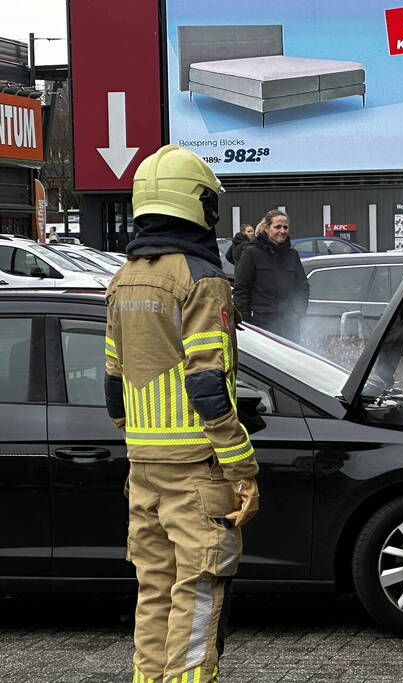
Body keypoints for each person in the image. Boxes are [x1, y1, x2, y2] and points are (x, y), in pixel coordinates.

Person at [104, 145, 259, 683]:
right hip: (197, 470)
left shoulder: (123, 280)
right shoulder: (201, 278)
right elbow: (209, 385)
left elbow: (113, 386)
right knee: (196, 593)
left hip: (142, 468)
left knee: (153, 592)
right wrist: (242, 470)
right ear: (196, 204)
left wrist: (144, 442)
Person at [233, 209, 310, 341]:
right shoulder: (251, 253)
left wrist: (298, 313)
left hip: (289, 325)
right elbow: (241, 290)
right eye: (277, 227)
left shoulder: (292, 255)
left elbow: (302, 286)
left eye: (285, 227)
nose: (282, 231)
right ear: (267, 228)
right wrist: (245, 322)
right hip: (260, 324)